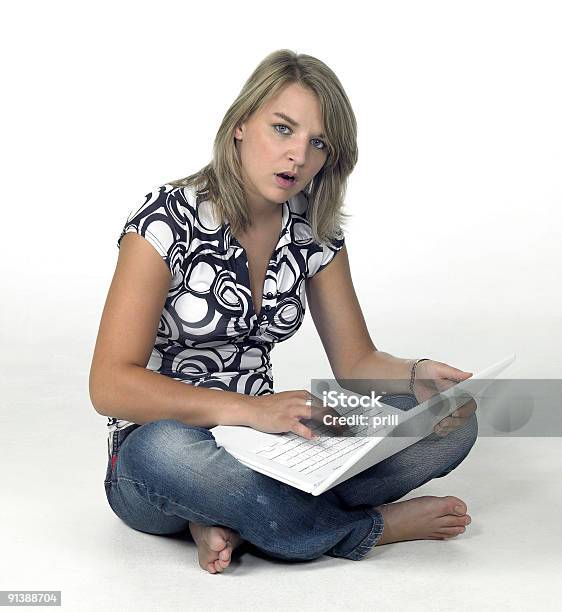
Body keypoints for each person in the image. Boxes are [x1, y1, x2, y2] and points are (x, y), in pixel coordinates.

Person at [89, 49, 478, 574]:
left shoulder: (312, 230)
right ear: (241, 126)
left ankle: (230, 517)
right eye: (282, 128)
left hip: (268, 446)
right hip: (167, 444)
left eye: (317, 143)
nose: (297, 156)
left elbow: (357, 363)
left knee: (452, 425)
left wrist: (417, 376)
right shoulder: (165, 221)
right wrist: (252, 410)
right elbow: (110, 385)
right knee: (162, 454)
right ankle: (369, 528)